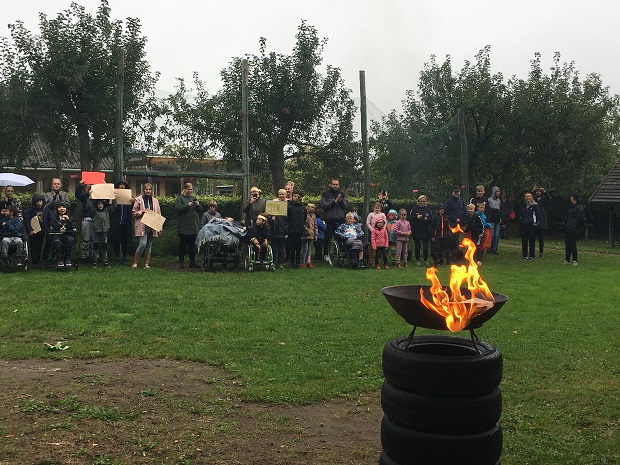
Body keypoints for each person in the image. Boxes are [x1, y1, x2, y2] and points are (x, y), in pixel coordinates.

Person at [131, 183, 161, 269]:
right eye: (146, 189)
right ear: (143, 190)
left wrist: (160, 227)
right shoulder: (139, 199)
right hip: (142, 224)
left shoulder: (155, 200)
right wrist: (141, 212)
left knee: (149, 245)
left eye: (149, 189)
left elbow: (158, 213)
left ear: (152, 190)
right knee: (142, 244)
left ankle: (146, 264)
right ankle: (135, 263)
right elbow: (134, 212)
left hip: (152, 225)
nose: (148, 191)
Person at [175, 183, 203, 269]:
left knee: (192, 245)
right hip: (184, 226)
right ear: (184, 189)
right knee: (183, 245)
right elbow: (178, 209)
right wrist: (188, 205)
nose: (190, 191)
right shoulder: (180, 199)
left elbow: (201, 210)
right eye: (188, 189)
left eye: (191, 189)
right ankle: (181, 262)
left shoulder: (193, 198)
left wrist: (198, 205)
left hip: (193, 226)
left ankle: (192, 262)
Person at [320, 179, 348, 262]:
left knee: (339, 238)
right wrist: (334, 202)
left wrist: (340, 201)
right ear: (330, 185)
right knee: (327, 238)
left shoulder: (342, 194)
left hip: (339, 219)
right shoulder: (325, 194)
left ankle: (337, 254)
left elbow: (346, 205)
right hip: (329, 219)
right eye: (334, 184)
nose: (335, 186)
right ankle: (325, 254)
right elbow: (323, 205)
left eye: (337, 184)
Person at [109, 181, 134, 266]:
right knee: (116, 241)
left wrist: (133, 202)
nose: (122, 186)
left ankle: (124, 258)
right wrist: (114, 200)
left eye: (123, 185)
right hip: (116, 223)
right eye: (120, 185)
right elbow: (110, 210)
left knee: (125, 241)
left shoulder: (130, 197)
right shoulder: (112, 197)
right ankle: (116, 258)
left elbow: (135, 208)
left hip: (126, 222)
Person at [47, 201, 76, 268]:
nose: (62, 209)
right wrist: (60, 221)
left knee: (70, 240)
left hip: (67, 235)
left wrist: (68, 220)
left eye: (63, 207)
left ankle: (67, 258)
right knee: (57, 242)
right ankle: (59, 259)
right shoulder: (53, 216)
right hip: (56, 235)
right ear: (57, 209)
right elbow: (53, 226)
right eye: (60, 207)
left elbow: (73, 226)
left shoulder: (69, 215)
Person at [445, 186, 466, 264]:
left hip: (459, 225)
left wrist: (463, 223)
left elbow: (464, 212)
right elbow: (447, 213)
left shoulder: (461, 201)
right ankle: (449, 259)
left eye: (458, 192)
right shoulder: (448, 202)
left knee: (456, 242)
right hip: (451, 225)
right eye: (455, 192)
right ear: (452, 192)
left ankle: (455, 258)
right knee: (449, 241)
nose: (457, 193)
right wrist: (454, 219)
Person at [23, 194, 46, 267]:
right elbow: (26, 221)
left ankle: (39, 261)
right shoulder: (29, 211)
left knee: (40, 246)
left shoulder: (45, 210)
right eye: (37, 201)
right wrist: (30, 230)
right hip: (33, 232)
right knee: (34, 246)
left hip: (42, 231)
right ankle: (34, 262)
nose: (39, 203)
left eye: (41, 201)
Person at [564, 192, 586, 266]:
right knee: (568, 244)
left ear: (573, 197)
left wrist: (578, 227)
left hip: (573, 228)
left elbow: (581, 218)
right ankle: (567, 259)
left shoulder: (579, 207)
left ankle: (575, 260)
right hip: (568, 227)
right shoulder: (572, 206)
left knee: (572, 244)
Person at [516, 191, 539, 260]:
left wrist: (535, 223)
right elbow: (519, 214)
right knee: (524, 241)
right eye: (527, 196)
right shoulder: (522, 205)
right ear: (525, 198)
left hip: (531, 225)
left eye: (529, 196)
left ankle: (532, 255)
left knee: (532, 241)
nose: (528, 198)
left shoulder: (535, 206)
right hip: (523, 225)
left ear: (531, 197)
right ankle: (525, 255)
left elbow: (538, 215)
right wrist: (520, 220)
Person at [410, 195, 433, 266]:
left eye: (424, 201)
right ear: (418, 201)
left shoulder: (428, 210)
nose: (422, 203)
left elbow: (431, 219)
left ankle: (425, 260)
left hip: (426, 231)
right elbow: (410, 219)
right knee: (418, 246)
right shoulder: (414, 209)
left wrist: (427, 219)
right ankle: (418, 260)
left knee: (425, 247)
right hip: (417, 231)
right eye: (421, 201)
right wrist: (416, 217)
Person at [75, 180, 95, 263]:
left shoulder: (99, 197)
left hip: (96, 220)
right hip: (86, 219)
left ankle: (95, 256)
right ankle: (85, 256)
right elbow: (77, 195)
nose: (90, 189)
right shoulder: (84, 197)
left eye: (91, 188)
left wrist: (104, 187)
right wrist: (80, 185)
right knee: (86, 239)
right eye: (88, 187)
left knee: (95, 239)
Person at [91, 199, 114, 268]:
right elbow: (89, 205)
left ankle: (105, 262)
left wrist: (114, 198)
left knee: (105, 248)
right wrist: (90, 197)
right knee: (96, 247)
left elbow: (114, 206)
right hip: (97, 231)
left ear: (104, 205)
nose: (100, 205)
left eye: (101, 204)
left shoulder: (107, 211)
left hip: (104, 231)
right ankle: (95, 262)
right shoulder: (94, 212)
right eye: (98, 204)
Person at [287, 192, 306, 269]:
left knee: (298, 247)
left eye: (295, 196)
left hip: (299, 229)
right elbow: (287, 218)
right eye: (293, 196)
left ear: (300, 198)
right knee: (292, 246)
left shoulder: (303, 208)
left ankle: (297, 262)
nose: (293, 198)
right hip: (291, 229)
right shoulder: (290, 207)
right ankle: (292, 261)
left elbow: (304, 218)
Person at [269, 189, 287, 269]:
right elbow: (268, 219)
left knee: (281, 249)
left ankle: (281, 262)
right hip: (274, 231)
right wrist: (272, 219)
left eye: (283, 194)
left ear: (285, 195)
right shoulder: (273, 205)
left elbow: (287, 221)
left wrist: (286, 232)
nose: (281, 196)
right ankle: (273, 262)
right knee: (274, 248)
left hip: (282, 231)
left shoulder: (287, 206)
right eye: (280, 194)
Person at [532, 186, 552, 258]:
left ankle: (541, 252)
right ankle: (532, 252)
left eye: (539, 191)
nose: (538, 192)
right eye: (537, 191)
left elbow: (550, 199)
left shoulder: (544, 199)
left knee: (541, 238)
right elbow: (528, 197)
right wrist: (532, 191)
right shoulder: (533, 199)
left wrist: (545, 192)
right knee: (533, 237)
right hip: (535, 220)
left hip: (542, 220)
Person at [301, 202, 317, 268]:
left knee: (309, 248)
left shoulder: (314, 216)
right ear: (308, 207)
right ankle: (302, 262)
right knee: (305, 247)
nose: (313, 209)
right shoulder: (304, 214)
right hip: (306, 233)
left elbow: (315, 225)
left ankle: (308, 261)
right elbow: (302, 223)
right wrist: (306, 230)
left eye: (314, 207)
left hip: (312, 233)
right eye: (312, 207)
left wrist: (316, 234)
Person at [487, 186, 502, 255]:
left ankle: (494, 248)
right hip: (492, 218)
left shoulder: (499, 200)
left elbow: (499, 210)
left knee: (496, 235)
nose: (499, 193)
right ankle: (489, 248)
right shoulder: (489, 200)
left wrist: (500, 218)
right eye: (497, 191)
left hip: (497, 218)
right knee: (491, 235)